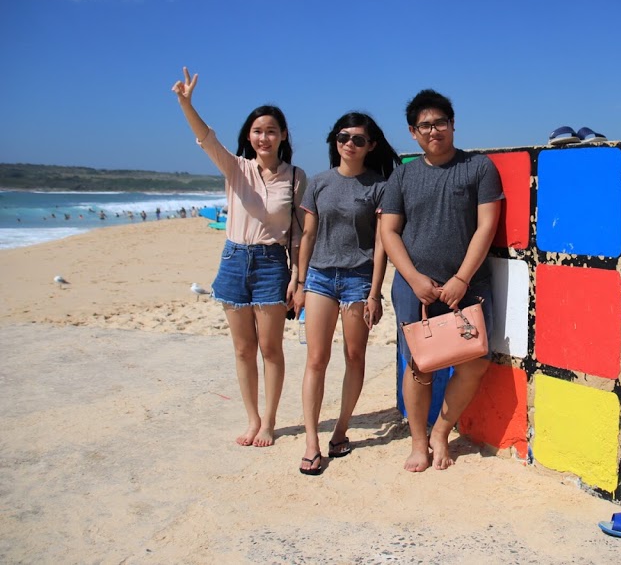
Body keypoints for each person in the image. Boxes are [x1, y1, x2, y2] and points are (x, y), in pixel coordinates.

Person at [171, 67, 306, 447]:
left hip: (271, 264)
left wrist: (298, 277)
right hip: (233, 261)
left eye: (272, 130)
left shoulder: (296, 177)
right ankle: (252, 419)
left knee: (271, 348)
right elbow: (204, 137)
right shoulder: (236, 168)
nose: (264, 137)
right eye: (258, 131)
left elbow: (299, 232)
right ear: (249, 136)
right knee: (243, 349)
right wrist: (186, 103)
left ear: (282, 136)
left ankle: (269, 422)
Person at [380, 89, 503, 472]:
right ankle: (419, 442)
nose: (434, 131)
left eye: (440, 123)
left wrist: (461, 279)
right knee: (419, 364)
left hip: (467, 284)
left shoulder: (478, 168)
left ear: (453, 125)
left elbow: (487, 226)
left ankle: (441, 431)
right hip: (413, 286)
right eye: (425, 125)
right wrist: (414, 278)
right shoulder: (402, 175)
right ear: (413, 133)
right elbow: (389, 232)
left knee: (475, 362)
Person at [292, 113, 399, 476]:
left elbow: (382, 244)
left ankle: (340, 431)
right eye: (342, 137)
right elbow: (307, 235)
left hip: (358, 279)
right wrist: (300, 281)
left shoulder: (379, 186)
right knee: (316, 360)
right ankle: (311, 442)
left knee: (355, 356)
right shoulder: (319, 183)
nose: (348, 143)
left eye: (357, 139)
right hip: (320, 277)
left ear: (370, 145)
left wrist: (375, 293)